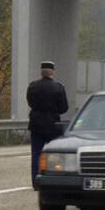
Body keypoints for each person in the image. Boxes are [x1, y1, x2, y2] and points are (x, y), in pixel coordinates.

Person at [26, 61, 69, 189]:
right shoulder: (58, 87)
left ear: (41, 72)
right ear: (52, 73)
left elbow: (30, 103)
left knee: (36, 155)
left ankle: (35, 182)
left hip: (36, 125)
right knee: (55, 155)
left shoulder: (32, 86)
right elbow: (63, 108)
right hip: (52, 126)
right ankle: (55, 181)